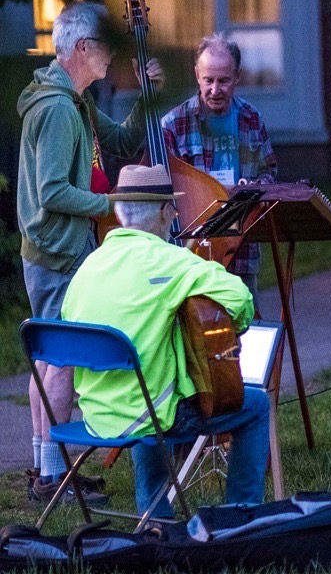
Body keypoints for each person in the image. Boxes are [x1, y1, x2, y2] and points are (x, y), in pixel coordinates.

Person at [60, 164, 270, 518]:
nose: (175, 215)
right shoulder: (171, 261)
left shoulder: (89, 266)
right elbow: (241, 299)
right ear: (162, 211)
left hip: (97, 414)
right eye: (173, 208)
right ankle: (240, 516)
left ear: (119, 212)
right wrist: (227, 328)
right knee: (255, 406)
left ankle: (154, 516)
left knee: (147, 383)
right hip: (147, 414)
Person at [17, 1, 164, 503]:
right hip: (58, 252)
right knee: (61, 362)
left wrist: (146, 97)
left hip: (50, 249)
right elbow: (53, 191)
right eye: (106, 45)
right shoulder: (58, 110)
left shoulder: (72, 100)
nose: (112, 55)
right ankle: (55, 478)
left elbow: (120, 141)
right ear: (82, 47)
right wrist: (112, 205)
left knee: (48, 359)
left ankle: (45, 470)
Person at [161, 32, 278, 308]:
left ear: (237, 77)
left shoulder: (251, 118)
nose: (215, 90)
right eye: (208, 80)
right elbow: (164, 192)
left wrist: (250, 190)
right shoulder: (174, 124)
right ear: (196, 75)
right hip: (192, 253)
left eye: (223, 81)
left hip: (242, 246)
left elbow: (269, 171)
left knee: (246, 320)